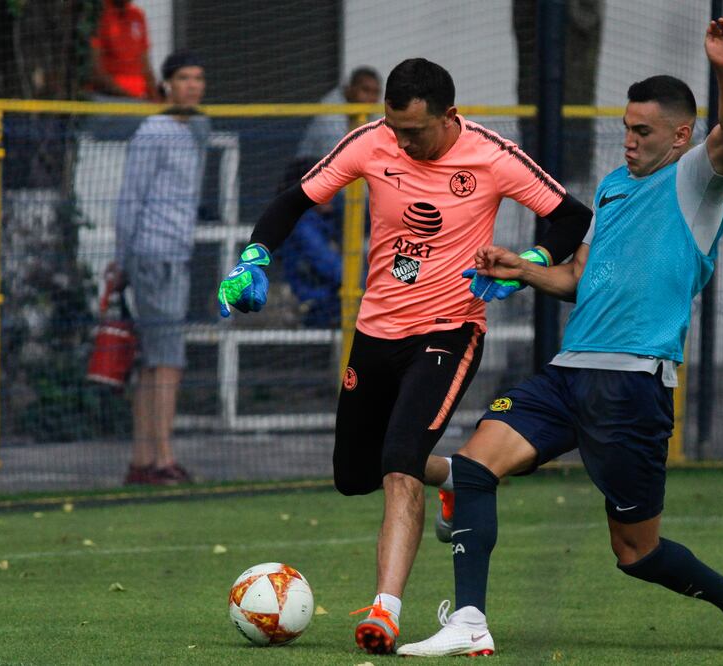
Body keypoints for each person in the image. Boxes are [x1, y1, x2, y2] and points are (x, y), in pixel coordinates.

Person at [398, 17, 723, 658]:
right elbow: (579, 277)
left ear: (681, 135)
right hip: (568, 372)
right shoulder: (613, 187)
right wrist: (520, 269)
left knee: (636, 553)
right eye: (625, 127)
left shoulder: (695, 181)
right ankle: (470, 622)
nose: (628, 140)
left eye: (643, 131)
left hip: (633, 385)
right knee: (474, 468)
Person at [215, 58, 592, 654]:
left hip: (450, 331)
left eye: (414, 131)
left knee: (397, 463)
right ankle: (455, 476)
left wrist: (532, 263)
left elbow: (571, 217)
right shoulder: (372, 141)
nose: (403, 142)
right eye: (395, 129)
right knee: (353, 476)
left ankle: (384, 612)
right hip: (375, 332)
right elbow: (294, 200)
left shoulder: (492, 155)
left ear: (449, 115)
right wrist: (254, 257)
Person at [111, 51, 209, 486]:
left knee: (155, 362)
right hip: (155, 255)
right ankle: (163, 459)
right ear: (166, 84)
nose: (192, 85)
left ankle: (143, 461)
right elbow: (130, 199)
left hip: (175, 253)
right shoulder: (153, 131)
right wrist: (122, 260)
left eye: (198, 78)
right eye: (184, 78)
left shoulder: (195, 131)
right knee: (167, 360)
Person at [276, 158, 344, 328]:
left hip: (330, 303)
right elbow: (335, 270)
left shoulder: (327, 217)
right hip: (315, 308)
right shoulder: (301, 224)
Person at [296, 67, 382, 158]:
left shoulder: (368, 109)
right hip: (310, 162)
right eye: (366, 90)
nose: (371, 97)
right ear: (350, 89)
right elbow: (336, 154)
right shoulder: (331, 109)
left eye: (376, 92)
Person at [89, 0, 159, 101]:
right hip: (109, 97)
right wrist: (131, 98)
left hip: (139, 98)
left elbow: (145, 63)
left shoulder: (137, 14)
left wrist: (155, 98)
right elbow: (96, 72)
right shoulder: (97, 14)